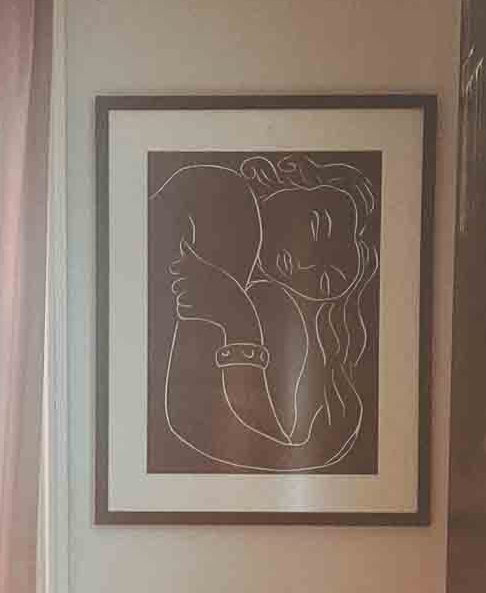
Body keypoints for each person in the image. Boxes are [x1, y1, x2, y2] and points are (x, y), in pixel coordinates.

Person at [150, 153, 379, 472]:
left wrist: (238, 323)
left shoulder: (269, 304)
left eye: (325, 278)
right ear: (283, 182)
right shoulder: (224, 195)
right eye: (317, 227)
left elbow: (257, 437)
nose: (310, 262)